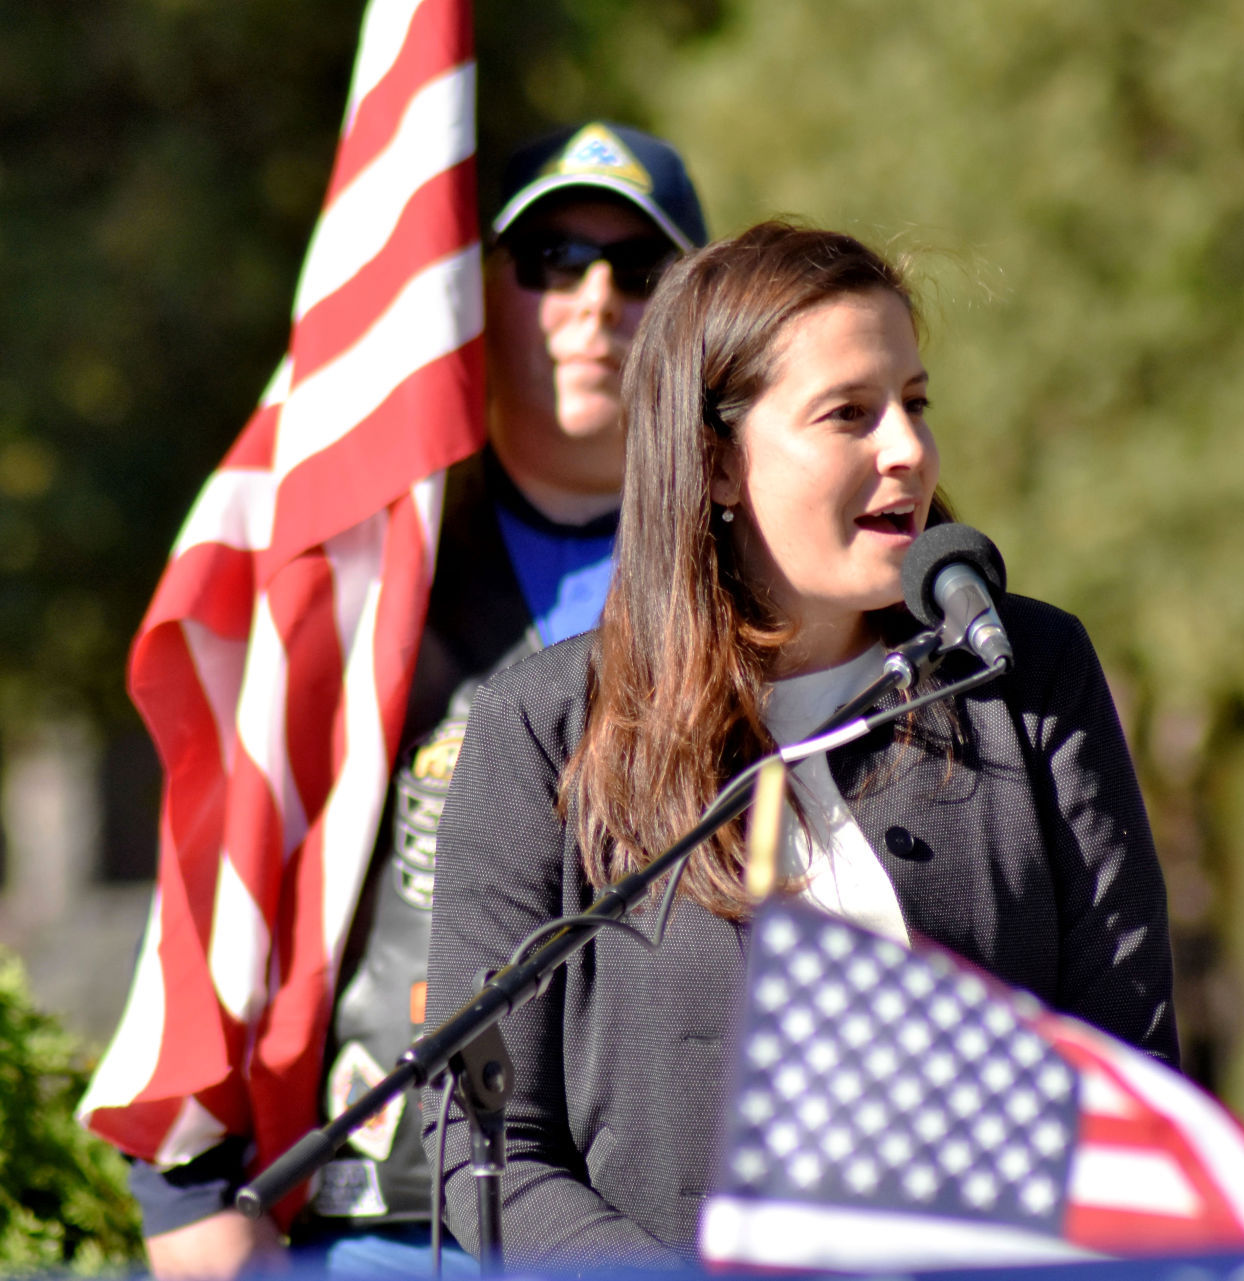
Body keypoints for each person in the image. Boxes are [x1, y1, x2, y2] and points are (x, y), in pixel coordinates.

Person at [423, 221, 1179, 1268]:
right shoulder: (546, 726)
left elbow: (1131, 1069)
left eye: (914, 404)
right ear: (716, 463)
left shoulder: (1026, 674)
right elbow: (479, 1134)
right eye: (848, 415)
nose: (907, 449)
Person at [124, 122, 709, 1279]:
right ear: (478, 296)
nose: (595, 301)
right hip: (388, 1219)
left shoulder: (758, 589)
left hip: (668, 1222)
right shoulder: (355, 584)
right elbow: (234, 838)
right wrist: (181, 1186)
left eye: (641, 271)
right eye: (549, 258)